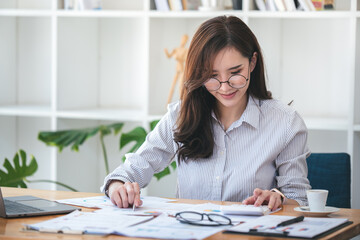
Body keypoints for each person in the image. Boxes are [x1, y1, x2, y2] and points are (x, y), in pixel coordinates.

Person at [101, 15, 311, 211]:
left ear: (252, 62)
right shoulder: (181, 116)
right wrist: (118, 186)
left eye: (235, 73)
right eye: (212, 76)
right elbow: (131, 170)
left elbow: (299, 198)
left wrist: (277, 197)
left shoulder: (285, 122)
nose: (224, 87)